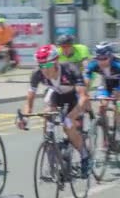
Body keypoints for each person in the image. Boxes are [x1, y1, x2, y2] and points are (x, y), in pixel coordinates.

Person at [16, 44, 91, 178]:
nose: (43, 69)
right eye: (40, 65)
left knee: (68, 127)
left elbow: (84, 98)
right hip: (56, 95)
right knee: (47, 113)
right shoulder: (37, 74)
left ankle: (85, 156)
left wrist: (70, 117)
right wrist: (25, 118)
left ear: (55, 61)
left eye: (46, 65)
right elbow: (30, 100)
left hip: (74, 98)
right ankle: (51, 153)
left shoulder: (70, 69)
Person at [84, 42, 120, 118]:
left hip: (118, 84)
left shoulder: (117, 64)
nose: (101, 61)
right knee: (102, 105)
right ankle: (103, 124)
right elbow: (86, 80)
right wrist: (84, 93)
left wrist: (118, 92)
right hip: (106, 84)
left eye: (104, 58)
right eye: (98, 58)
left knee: (118, 107)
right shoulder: (93, 64)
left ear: (110, 57)